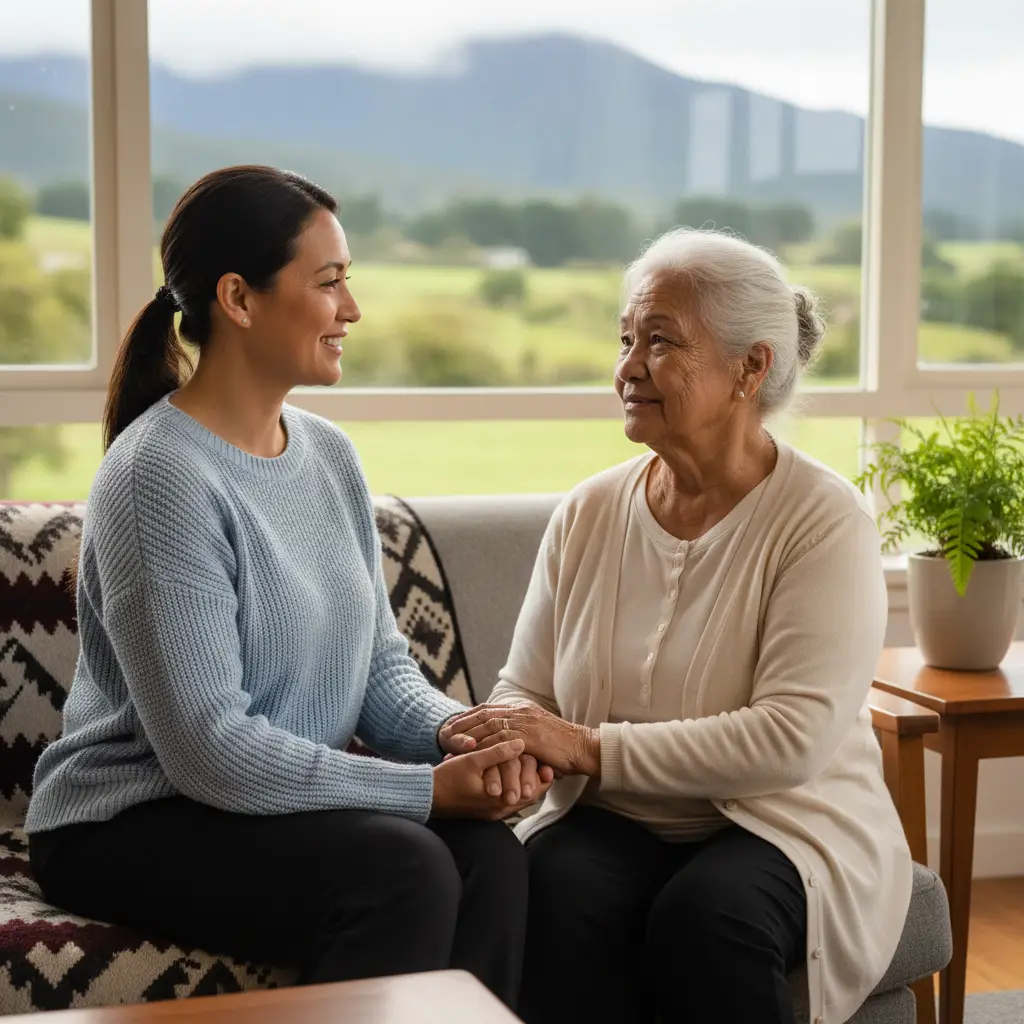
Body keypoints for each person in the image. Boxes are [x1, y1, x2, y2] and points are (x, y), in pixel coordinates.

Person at [25, 165, 551, 1007]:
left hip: (250, 811)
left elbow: (381, 674)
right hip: (127, 821)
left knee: (491, 856)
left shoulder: (328, 454)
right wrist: (424, 791)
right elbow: (208, 748)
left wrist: (470, 737)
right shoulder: (159, 476)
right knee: (405, 868)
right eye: (330, 281)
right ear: (239, 298)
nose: (352, 309)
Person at [444, 230, 913, 1024]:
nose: (628, 367)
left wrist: (586, 747)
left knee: (709, 918)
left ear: (751, 368)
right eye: (627, 339)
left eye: (660, 342)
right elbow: (526, 687)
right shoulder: (590, 510)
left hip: (783, 824)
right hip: (617, 821)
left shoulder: (823, 521)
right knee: (551, 886)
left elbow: (789, 740)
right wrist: (509, 746)